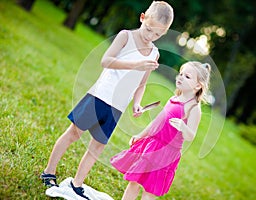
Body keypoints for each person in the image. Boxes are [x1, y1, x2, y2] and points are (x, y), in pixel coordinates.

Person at [40, 1, 174, 199]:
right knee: (73, 134)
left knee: (97, 146)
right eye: (148, 30)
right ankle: (49, 172)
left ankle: (77, 184)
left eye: (157, 35)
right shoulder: (125, 37)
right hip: (99, 97)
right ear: (142, 17)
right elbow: (106, 61)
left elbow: (141, 82)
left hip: (116, 108)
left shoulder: (154, 53)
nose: (150, 36)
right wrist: (136, 63)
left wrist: (137, 102)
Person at [110, 61, 212, 200]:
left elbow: (190, 136)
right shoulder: (174, 98)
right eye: (180, 74)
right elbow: (156, 122)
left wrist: (183, 127)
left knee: (149, 190)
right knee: (134, 182)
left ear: (198, 85)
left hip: (167, 153)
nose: (181, 77)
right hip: (152, 145)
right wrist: (140, 135)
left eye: (187, 76)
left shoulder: (194, 108)